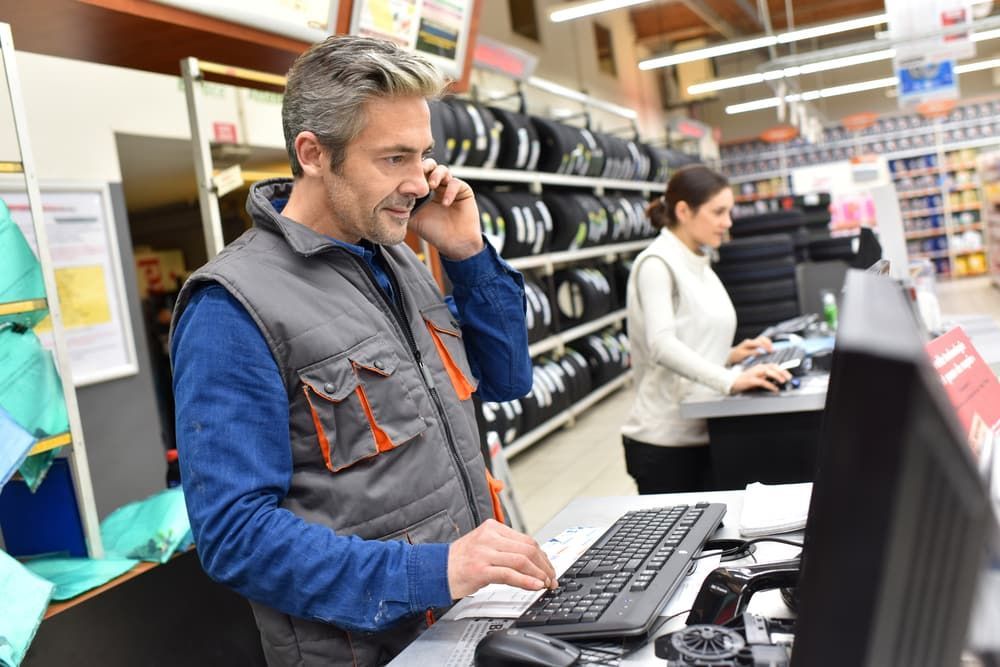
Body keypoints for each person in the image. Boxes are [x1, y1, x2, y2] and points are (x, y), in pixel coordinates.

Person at [170, 35, 556, 666]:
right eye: (394, 159)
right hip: (366, 649)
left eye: (424, 156)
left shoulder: (398, 260)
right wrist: (434, 571)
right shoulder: (232, 306)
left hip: (463, 621)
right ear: (314, 154)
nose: (419, 182)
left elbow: (507, 379)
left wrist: (468, 257)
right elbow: (234, 536)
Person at [621, 165, 792, 495]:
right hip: (665, 443)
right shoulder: (657, 264)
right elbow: (661, 345)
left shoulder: (698, 260)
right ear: (684, 210)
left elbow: (689, 337)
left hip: (702, 430)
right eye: (718, 212)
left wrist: (730, 355)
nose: (728, 222)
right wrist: (730, 380)